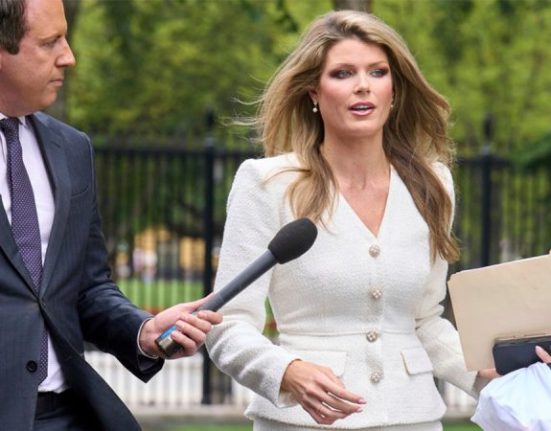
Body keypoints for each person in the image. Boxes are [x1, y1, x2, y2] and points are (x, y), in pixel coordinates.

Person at [206, 10, 490, 431]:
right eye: (342, 73)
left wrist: (489, 373)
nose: (363, 85)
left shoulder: (433, 185)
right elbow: (226, 322)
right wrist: (287, 371)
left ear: (394, 90)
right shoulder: (267, 184)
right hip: (303, 422)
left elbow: (424, 321)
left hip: (413, 420)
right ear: (313, 92)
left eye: (378, 72)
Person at [0, 0, 222, 430]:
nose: (69, 57)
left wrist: (143, 331)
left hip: (67, 415)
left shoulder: (71, 149)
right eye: (50, 42)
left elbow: (87, 286)